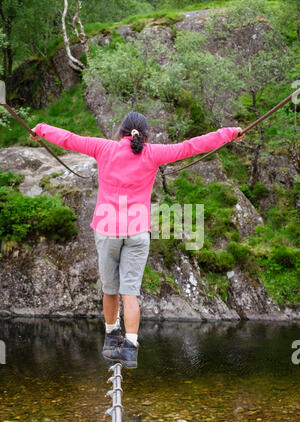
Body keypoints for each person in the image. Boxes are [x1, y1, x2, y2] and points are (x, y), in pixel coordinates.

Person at [31, 112, 244, 368]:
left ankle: (112, 337)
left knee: (110, 289)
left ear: (121, 131)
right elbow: (192, 146)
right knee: (129, 292)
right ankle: (130, 347)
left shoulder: (103, 148)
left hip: (108, 230)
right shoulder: (153, 154)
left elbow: (68, 139)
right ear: (145, 135)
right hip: (138, 232)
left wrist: (41, 129)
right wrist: (229, 133)